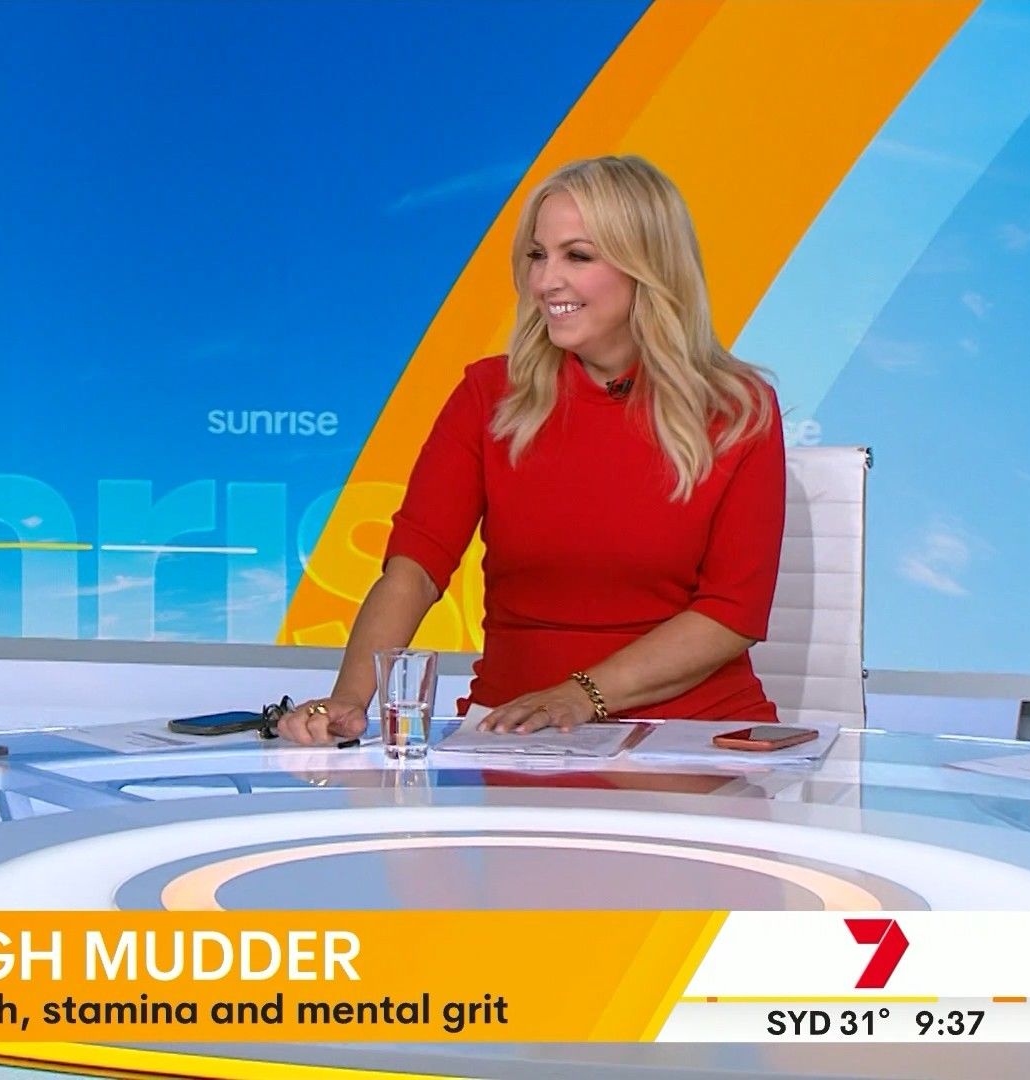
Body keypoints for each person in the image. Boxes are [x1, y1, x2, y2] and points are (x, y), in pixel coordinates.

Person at [281, 155, 783, 744]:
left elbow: (731, 614)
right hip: (514, 732)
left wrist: (578, 695)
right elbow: (414, 571)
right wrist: (349, 698)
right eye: (537, 255)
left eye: (578, 256)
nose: (545, 281)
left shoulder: (737, 409)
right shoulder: (489, 395)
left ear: (648, 265)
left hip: (692, 735)